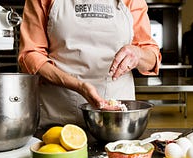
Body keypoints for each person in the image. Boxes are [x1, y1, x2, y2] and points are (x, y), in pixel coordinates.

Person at [18, 0, 161, 129]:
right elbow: (30, 55)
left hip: (116, 121)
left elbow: (151, 58)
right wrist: (79, 86)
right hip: (58, 117)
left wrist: (138, 54)